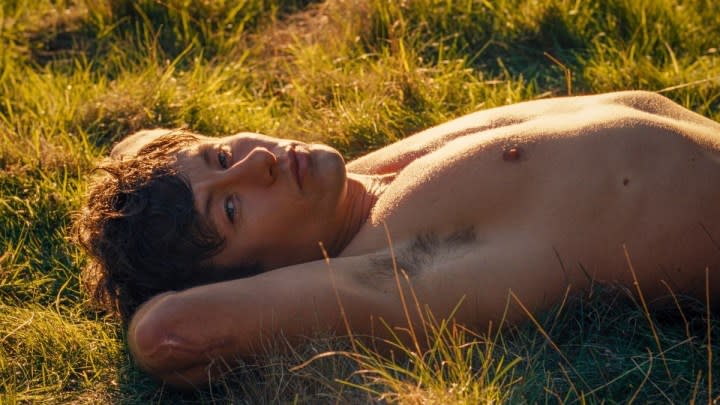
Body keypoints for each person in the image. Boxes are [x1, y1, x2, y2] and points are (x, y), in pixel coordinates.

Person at [75, 91, 720, 389]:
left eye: (220, 156)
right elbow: (163, 334)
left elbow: (137, 145)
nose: (258, 162)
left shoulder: (357, 185)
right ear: (260, 277)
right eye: (235, 209)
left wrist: (156, 187)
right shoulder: (395, 268)